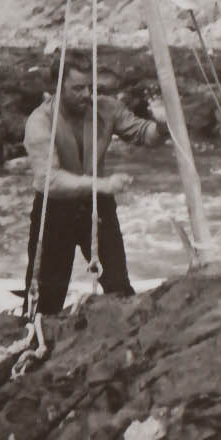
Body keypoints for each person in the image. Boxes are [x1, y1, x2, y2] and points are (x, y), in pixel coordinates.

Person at [21, 52, 168, 318]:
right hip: (54, 211)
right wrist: (102, 185)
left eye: (90, 86)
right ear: (57, 87)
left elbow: (145, 135)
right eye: (77, 88)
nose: (87, 94)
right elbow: (48, 179)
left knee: (120, 290)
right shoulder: (40, 122)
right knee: (44, 302)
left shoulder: (106, 109)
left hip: (97, 207)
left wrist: (162, 124)